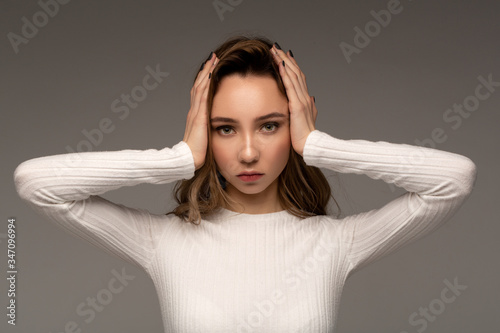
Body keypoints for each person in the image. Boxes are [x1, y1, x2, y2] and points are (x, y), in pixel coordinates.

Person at [14, 35, 477, 332]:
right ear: (204, 129)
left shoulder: (334, 242)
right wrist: (180, 157)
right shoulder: (163, 241)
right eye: (225, 128)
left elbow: (453, 180)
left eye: (271, 125)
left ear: (293, 125)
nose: (249, 152)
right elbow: (36, 183)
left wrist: (318, 146)